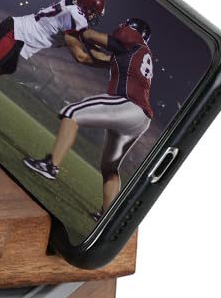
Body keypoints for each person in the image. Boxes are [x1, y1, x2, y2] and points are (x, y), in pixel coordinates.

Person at [23, 17, 155, 217]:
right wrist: (77, 38)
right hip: (140, 119)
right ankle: (107, 215)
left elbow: (92, 35)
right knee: (110, 168)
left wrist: (78, 30)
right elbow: (87, 57)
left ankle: (50, 166)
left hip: (128, 104)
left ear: (133, 30)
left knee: (72, 113)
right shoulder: (134, 54)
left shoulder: (133, 40)